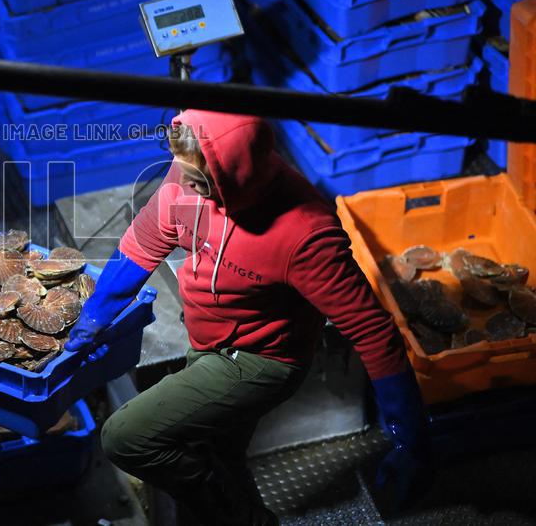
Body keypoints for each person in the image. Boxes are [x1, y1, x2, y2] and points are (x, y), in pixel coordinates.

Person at [66, 110, 431, 526]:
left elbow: (373, 332)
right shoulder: (188, 171)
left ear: (233, 179)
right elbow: (144, 241)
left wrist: (410, 440)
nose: (182, 185)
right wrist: (95, 316)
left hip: (262, 359)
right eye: (180, 172)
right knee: (216, 454)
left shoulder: (307, 235)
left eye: (199, 182)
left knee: (128, 438)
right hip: (206, 336)